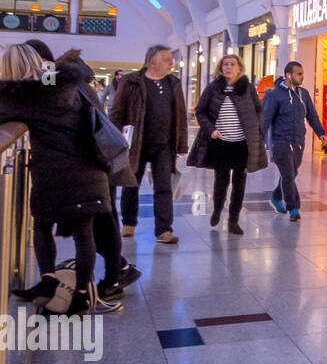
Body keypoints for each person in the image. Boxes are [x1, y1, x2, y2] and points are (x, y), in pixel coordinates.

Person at [0, 44, 119, 313]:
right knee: (82, 233)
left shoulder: (21, 96)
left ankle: (49, 279)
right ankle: (80, 295)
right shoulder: (60, 83)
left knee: (43, 225)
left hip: (55, 170)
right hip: (89, 166)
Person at [110, 45, 188, 244]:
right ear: (151, 61)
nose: (171, 63)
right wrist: (115, 139)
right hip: (136, 143)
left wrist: (181, 143)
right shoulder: (131, 81)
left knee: (164, 187)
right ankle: (128, 223)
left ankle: (164, 230)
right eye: (166, 59)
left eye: (171, 59)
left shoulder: (174, 83)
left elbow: (180, 115)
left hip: (164, 145)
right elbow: (117, 112)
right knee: (131, 184)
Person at [188, 54, 267, 235]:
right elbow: (201, 111)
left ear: (239, 68)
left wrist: (256, 127)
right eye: (225, 64)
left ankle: (233, 220)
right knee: (221, 181)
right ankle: (217, 210)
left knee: (239, 183)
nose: (228, 67)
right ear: (220, 68)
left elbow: (258, 109)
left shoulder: (246, 88)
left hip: (242, 144)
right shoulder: (213, 88)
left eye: (232, 64)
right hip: (221, 143)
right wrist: (210, 130)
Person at [262, 61, 327, 222]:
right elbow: (265, 120)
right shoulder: (274, 95)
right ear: (289, 75)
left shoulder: (303, 94)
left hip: (298, 141)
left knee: (291, 174)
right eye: (299, 73)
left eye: (302, 73)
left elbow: (312, 115)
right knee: (288, 174)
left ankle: (276, 198)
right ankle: (293, 208)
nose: (302, 76)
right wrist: (259, 142)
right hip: (280, 142)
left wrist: (321, 133)